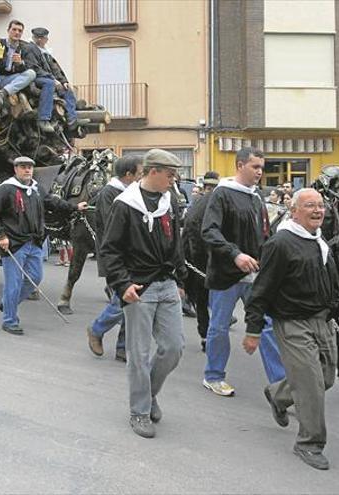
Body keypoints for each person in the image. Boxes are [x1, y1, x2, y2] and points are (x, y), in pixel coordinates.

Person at [242, 188, 339, 470]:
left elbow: (331, 286)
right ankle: (309, 443)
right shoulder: (280, 244)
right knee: (310, 385)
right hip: (292, 322)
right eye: (310, 205)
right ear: (294, 210)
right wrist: (253, 330)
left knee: (326, 378)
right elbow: (260, 291)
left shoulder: (320, 242)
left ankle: (278, 394)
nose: (318, 210)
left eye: (321, 205)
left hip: (322, 321)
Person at [99, 149, 188, 438]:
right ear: (153, 172)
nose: (173, 180)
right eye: (170, 174)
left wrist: (180, 278)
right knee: (138, 353)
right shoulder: (124, 205)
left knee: (174, 348)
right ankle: (139, 411)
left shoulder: (169, 201)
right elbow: (110, 249)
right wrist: (122, 284)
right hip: (138, 288)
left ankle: (148, 394)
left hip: (166, 284)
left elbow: (176, 243)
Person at [200, 147, 285, 396]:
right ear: (239, 165)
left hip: (255, 274)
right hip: (225, 275)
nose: (260, 172)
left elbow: (263, 235)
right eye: (255, 166)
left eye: (262, 167)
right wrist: (235, 254)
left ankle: (281, 386)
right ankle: (213, 376)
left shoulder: (256, 197)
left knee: (267, 324)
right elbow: (209, 231)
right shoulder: (222, 194)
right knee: (219, 326)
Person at [0, 156, 86, 335]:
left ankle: (8, 303)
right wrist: (1, 236)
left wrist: (74, 207)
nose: (27, 170)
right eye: (23, 167)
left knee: (35, 279)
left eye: (30, 167)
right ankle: (9, 320)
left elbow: (52, 202)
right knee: (13, 285)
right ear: (15, 169)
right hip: (14, 244)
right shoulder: (6, 190)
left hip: (35, 243)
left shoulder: (36, 188)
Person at [87, 154, 143, 362]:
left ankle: (122, 347)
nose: (142, 177)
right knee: (122, 301)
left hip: (134, 257)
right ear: (128, 175)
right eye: (139, 173)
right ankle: (96, 328)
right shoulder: (110, 194)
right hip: (117, 258)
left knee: (133, 303)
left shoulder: (133, 193)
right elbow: (114, 229)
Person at [182, 171, 220, 352]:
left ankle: (204, 334)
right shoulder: (216, 204)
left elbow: (187, 233)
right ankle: (211, 335)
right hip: (209, 261)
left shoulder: (195, 205)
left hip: (195, 260)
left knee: (202, 302)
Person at [25, 27, 82, 133]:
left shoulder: (46, 52)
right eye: (45, 38)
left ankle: (72, 120)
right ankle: (43, 119)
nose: (47, 40)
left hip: (47, 77)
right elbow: (34, 68)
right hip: (35, 78)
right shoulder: (29, 49)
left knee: (68, 90)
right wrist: (53, 79)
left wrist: (63, 81)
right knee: (49, 84)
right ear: (39, 39)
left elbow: (55, 68)